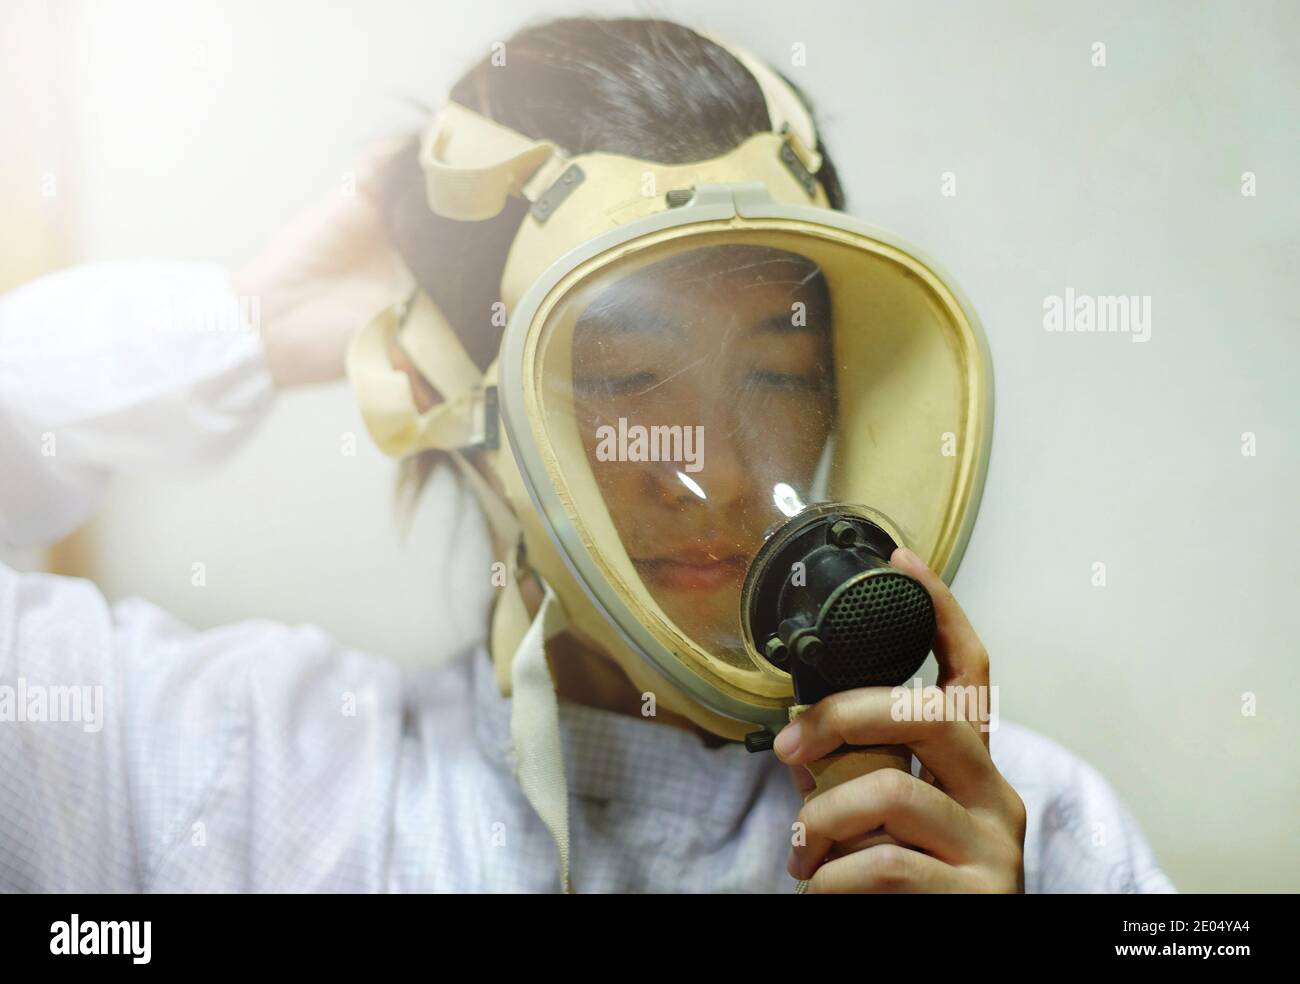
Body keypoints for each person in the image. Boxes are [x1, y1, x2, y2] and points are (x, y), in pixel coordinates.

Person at [0, 17, 1173, 893]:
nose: (711, 464)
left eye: (777, 375)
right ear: (452, 399)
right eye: (618, 376)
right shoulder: (230, 775)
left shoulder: (1025, 828)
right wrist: (250, 323)